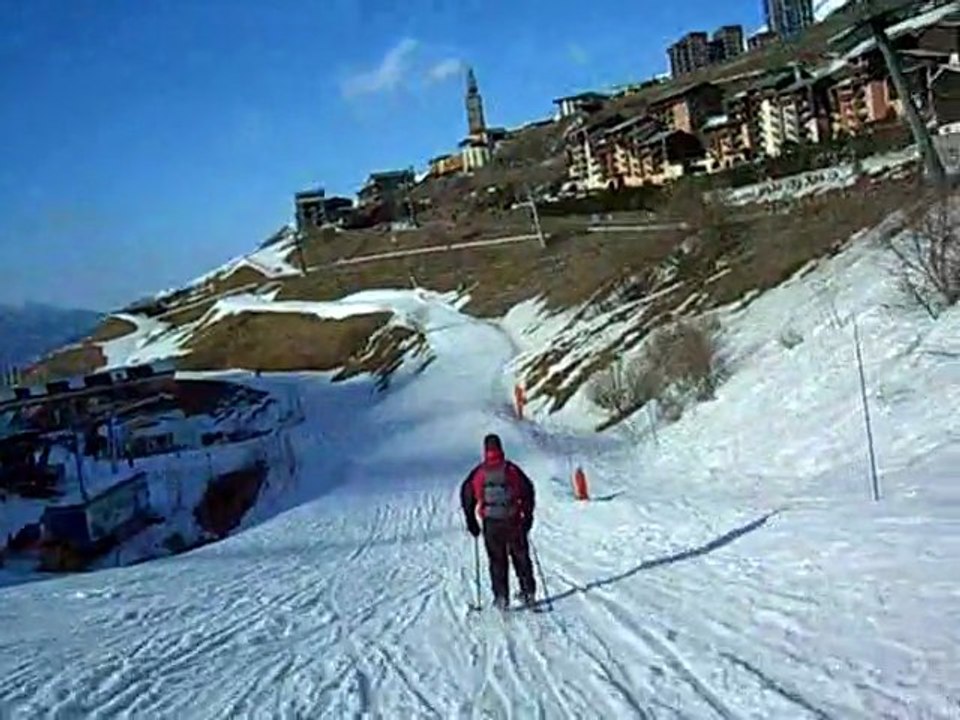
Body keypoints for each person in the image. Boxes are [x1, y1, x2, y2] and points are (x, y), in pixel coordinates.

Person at [460, 433, 536, 610]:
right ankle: (528, 592)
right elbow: (528, 490)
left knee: (497, 560)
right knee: (520, 557)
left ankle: (501, 597)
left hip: (491, 523)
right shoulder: (511, 470)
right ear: (501, 449)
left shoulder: (479, 473)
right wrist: (528, 515)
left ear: (486, 450)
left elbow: (466, 494)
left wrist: (471, 521)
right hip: (513, 519)